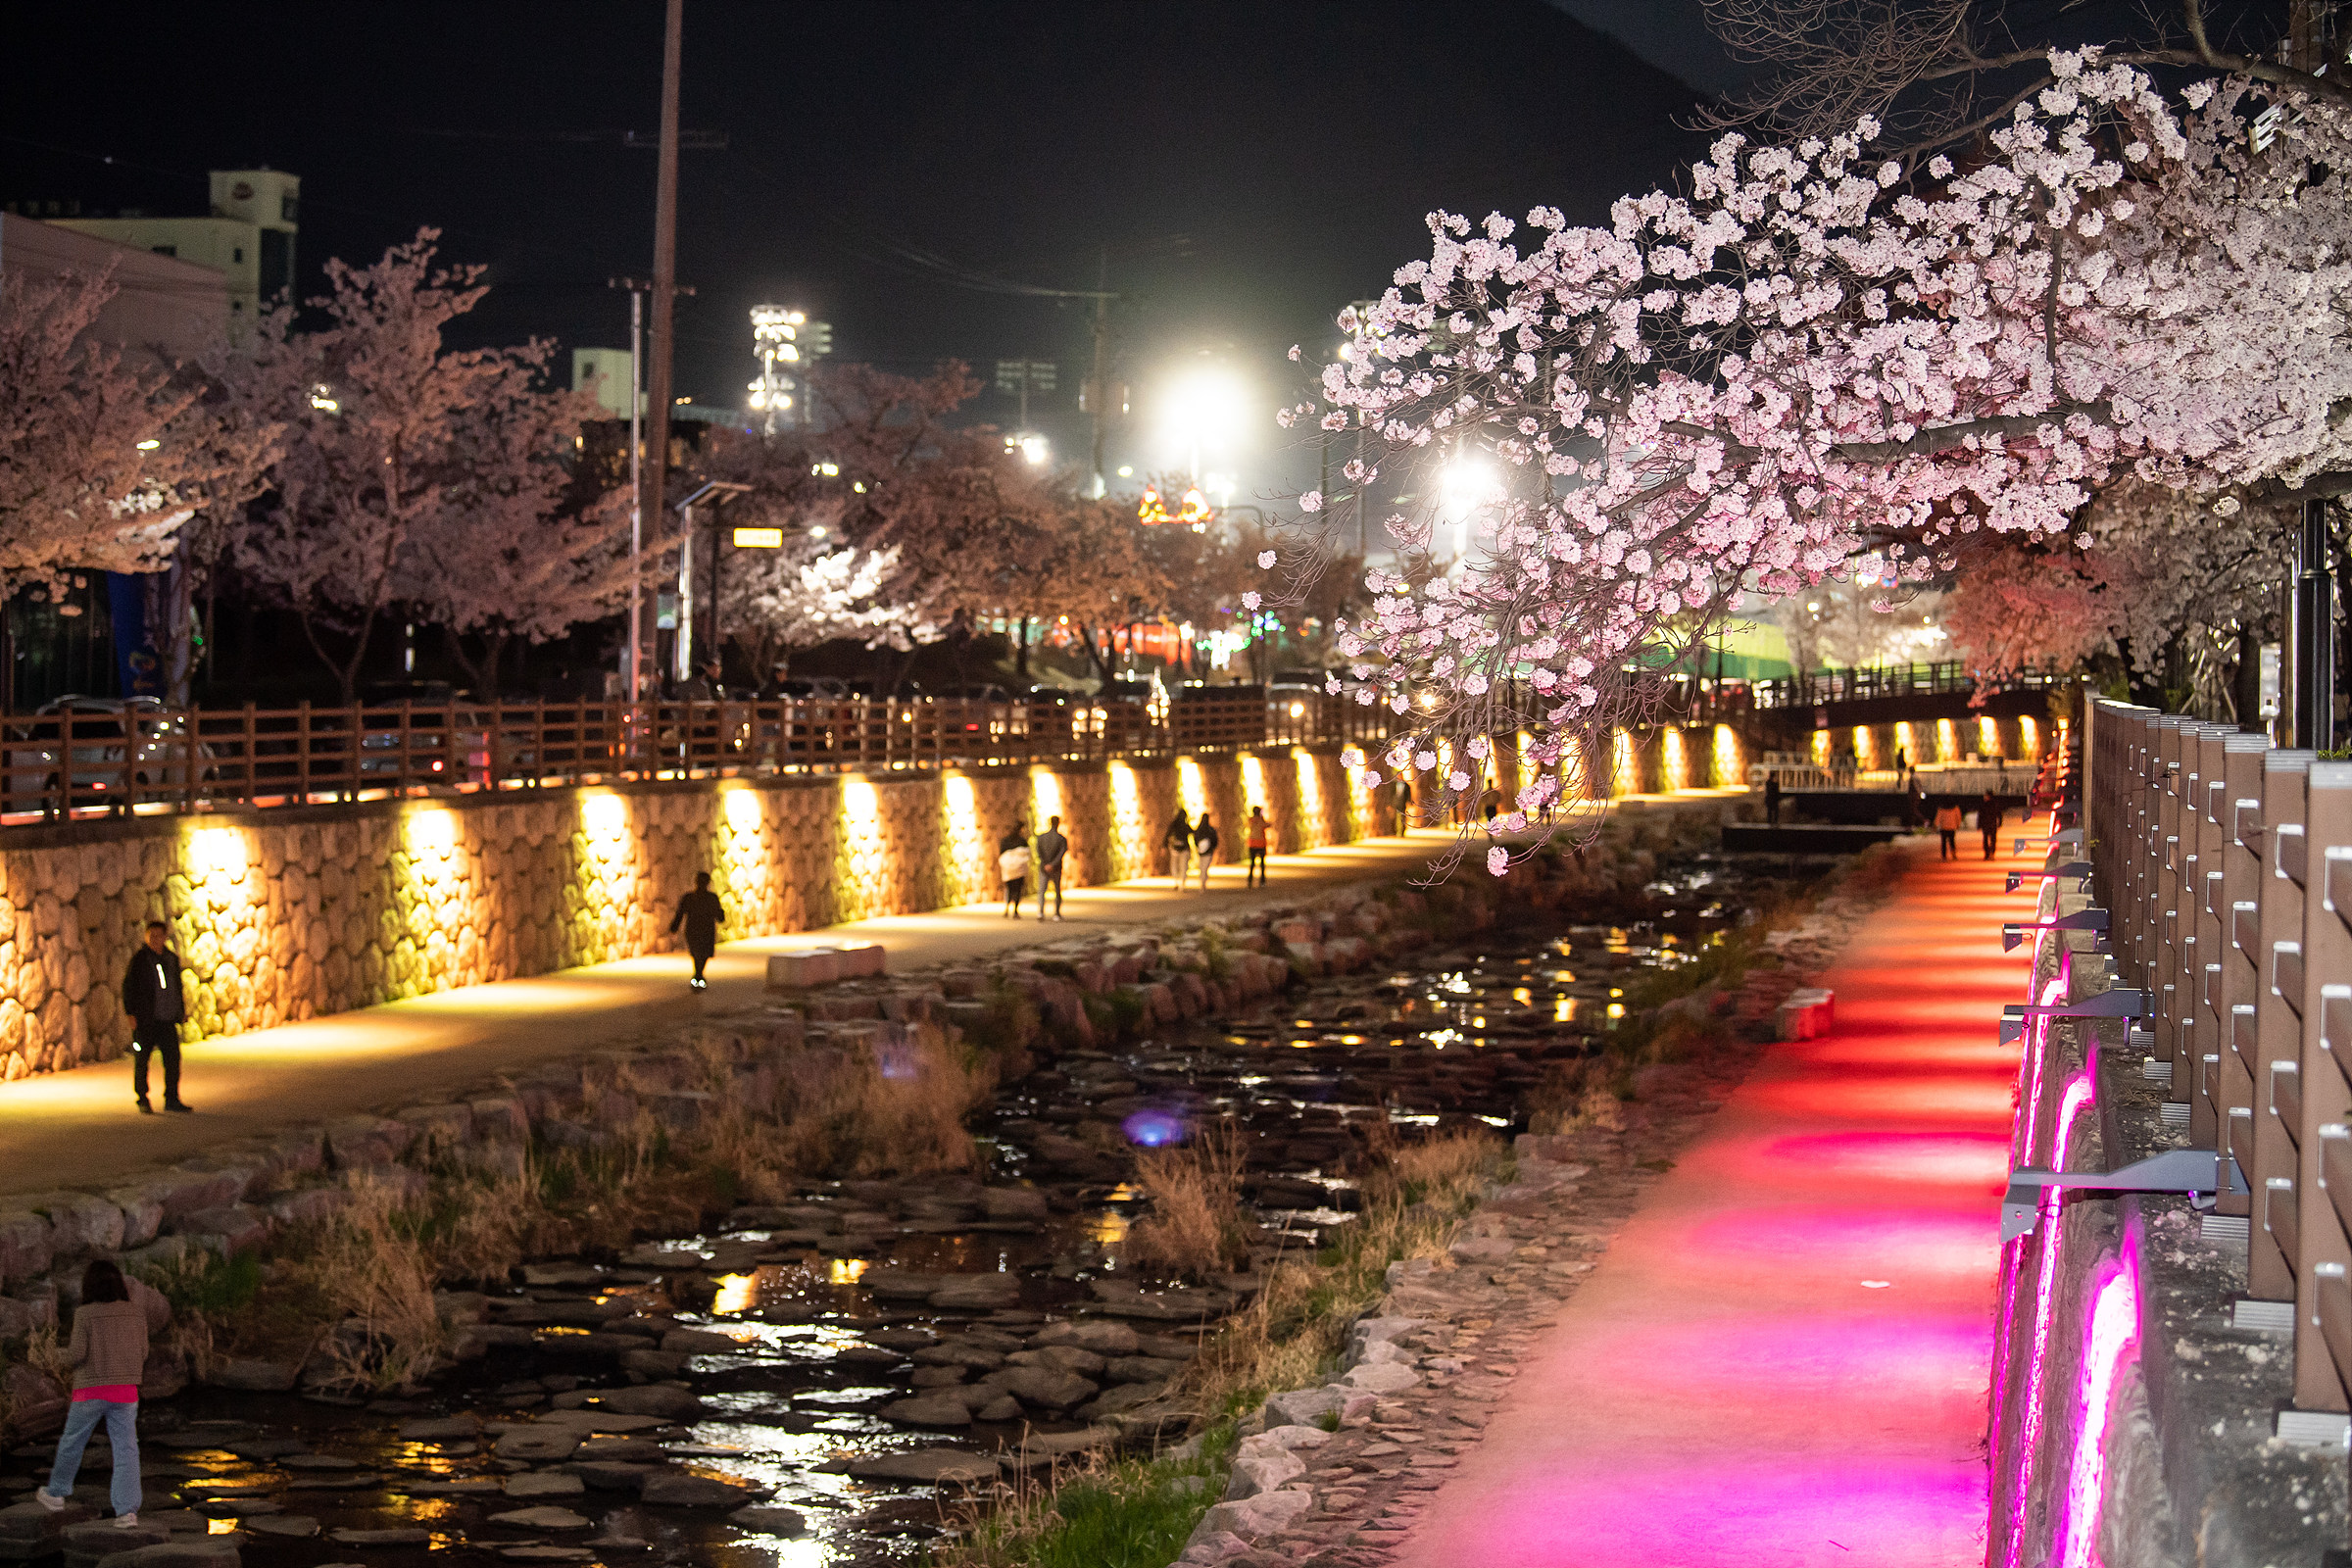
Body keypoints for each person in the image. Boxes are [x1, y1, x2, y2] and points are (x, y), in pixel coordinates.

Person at [34, 1259, 165, 1527]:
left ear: (89, 1286)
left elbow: (77, 1355)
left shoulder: (85, 1314)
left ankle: (57, 1493)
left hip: (90, 1390)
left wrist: (56, 1356)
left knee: (73, 1441)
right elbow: (144, 1352)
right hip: (126, 1391)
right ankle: (127, 1512)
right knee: (127, 1450)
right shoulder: (136, 1313)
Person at [122, 921, 188, 1115]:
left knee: (173, 1059)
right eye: (152, 936)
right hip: (146, 1019)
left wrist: (180, 1010)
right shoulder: (140, 960)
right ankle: (142, 1097)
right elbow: (129, 987)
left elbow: (177, 987)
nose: (155, 940)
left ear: (165, 937)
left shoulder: (171, 959)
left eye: (159, 936)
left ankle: (172, 1098)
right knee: (142, 1059)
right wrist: (130, 1013)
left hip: (166, 1019)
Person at [668, 873, 725, 991]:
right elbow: (719, 916)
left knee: (699, 954)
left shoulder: (692, 898)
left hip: (696, 930)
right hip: (702, 930)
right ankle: (699, 975)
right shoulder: (709, 898)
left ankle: (698, 975)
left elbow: (680, 913)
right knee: (700, 953)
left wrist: (674, 926)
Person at [1033, 815, 1068, 921]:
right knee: (1057, 890)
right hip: (1056, 868)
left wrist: (1045, 864)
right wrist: (1053, 864)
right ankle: (1056, 913)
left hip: (1044, 868)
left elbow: (1038, 852)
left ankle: (1041, 912)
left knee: (1042, 890)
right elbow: (1061, 853)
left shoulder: (1041, 838)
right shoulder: (1061, 839)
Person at [998, 825, 1031, 917]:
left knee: (1009, 889)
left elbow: (1001, 853)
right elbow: (1026, 854)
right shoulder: (1022, 841)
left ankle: (1007, 908)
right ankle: (1015, 911)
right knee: (1018, 890)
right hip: (1019, 870)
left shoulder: (1005, 841)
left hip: (1008, 871)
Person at [1165, 808, 1194, 890]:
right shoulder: (1185, 825)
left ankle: (1176, 881)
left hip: (1174, 848)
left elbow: (1167, 835)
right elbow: (1193, 833)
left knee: (1174, 865)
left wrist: (1165, 846)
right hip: (1184, 848)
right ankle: (1182, 884)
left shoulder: (1174, 825)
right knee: (1183, 866)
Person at [1191, 814, 1219, 891]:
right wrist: (1213, 847)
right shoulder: (1211, 830)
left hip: (1201, 851)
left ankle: (1202, 881)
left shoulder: (1199, 829)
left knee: (1202, 866)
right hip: (1209, 852)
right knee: (1205, 867)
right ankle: (1203, 882)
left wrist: (1198, 847)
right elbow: (1215, 840)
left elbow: (1195, 838)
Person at [1245, 806, 1270, 887]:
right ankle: (1262, 881)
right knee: (1262, 863)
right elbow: (1267, 825)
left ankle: (1250, 880)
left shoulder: (1250, 820)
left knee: (1252, 863)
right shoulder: (1261, 820)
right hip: (1261, 843)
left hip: (1252, 844)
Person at [1978, 791, 2006, 860]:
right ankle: (1990, 853)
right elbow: (1999, 814)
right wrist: (1999, 823)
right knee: (1991, 840)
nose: (1985, 797)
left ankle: (1988, 854)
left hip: (1988, 824)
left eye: (1986, 796)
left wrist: (1979, 825)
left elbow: (1980, 816)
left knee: (1988, 840)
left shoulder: (1984, 805)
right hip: (1991, 824)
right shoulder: (1994, 804)